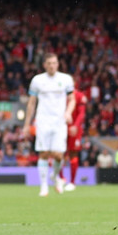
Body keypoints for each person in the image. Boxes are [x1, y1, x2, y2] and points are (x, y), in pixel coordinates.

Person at [22, 54, 75, 197]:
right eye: (49, 63)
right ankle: (44, 187)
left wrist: (68, 112)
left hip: (59, 122)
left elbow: (72, 99)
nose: (52, 65)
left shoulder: (66, 79)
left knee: (58, 155)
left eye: (54, 62)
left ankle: (55, 176)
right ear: (44, 65)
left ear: (58, 64)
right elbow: (31, 103)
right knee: (44, 153)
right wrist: (27, 124)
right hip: (43, 120)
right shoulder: (37, 80)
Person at [64, 85, 89, 191]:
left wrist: (76, 125)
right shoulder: (59, 95)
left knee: (73, 153)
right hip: (61, 128)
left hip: (74, 129)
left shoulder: (79, 96)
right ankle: (61, 179)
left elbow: (81, 113)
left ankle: (72, 182)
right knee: (59, 152)